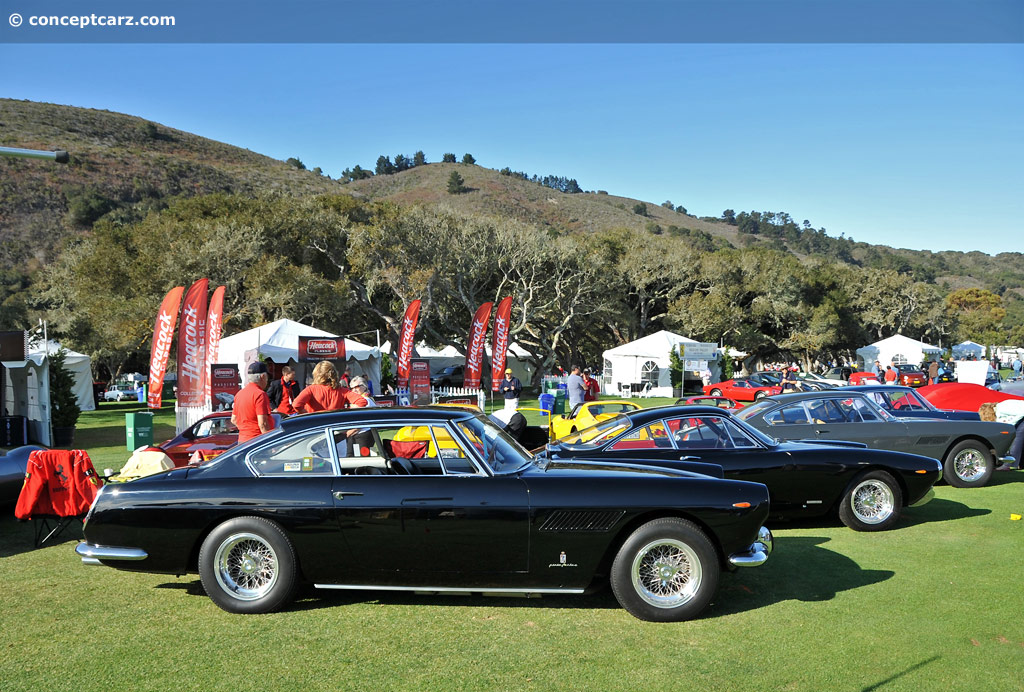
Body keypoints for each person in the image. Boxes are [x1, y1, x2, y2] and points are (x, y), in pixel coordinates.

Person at [231, 362, 275, 443]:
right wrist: (271, 443)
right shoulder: (260, 394)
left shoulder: (239, 394)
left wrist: (246, 430)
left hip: (242, 441)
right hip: (257, 442)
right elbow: (263, 424)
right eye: (267, 377)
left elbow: (234, 419)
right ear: (263, 377)